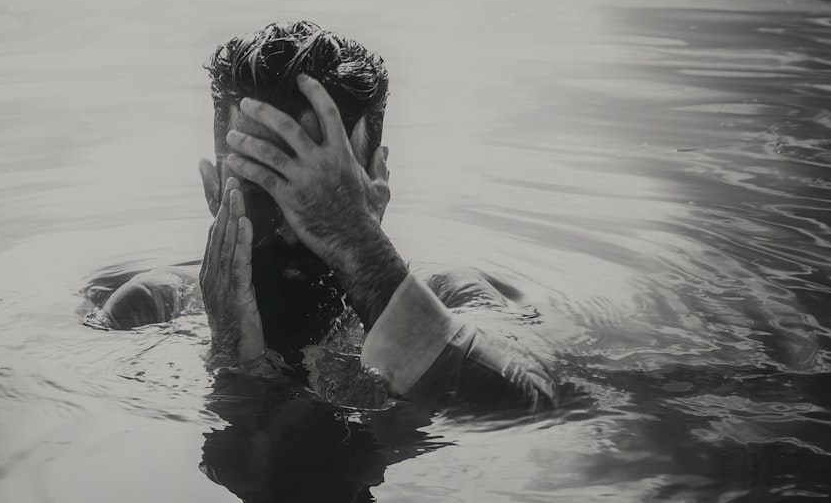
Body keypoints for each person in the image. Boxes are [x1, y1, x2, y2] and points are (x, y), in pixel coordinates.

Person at [91, 21, 556, 410]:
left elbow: (527, 404)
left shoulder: (453, 302)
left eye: (327, 194)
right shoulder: (154, 310)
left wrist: (360, 248)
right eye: (266, 187)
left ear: (376, 184)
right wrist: (232, 355)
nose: (298, 228)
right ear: (214, 190)